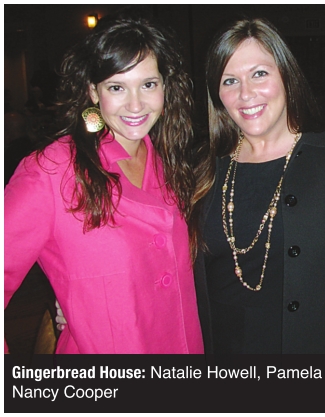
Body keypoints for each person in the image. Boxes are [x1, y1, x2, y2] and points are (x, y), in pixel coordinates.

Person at [4, 9, 203, 354]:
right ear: (94, 92)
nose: (136, 104)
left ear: (165, 86)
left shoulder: (172, 162)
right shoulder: (52, 171)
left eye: (148, 84)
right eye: (117, 87)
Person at [191, 18, 325, 354]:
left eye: (259, 74)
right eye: (230, 80)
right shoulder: (200, 169)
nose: (246, 94)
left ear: (287, 75)